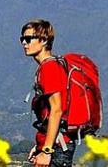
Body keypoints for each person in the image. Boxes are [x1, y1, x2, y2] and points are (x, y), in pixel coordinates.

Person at [21, 19, 75, 167]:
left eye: (28, 38)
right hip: (55, 144)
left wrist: (46, 150)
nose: (24, 43)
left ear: (44, 40)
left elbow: (57, 109)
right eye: (22, 39)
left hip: (57, 147)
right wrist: (39, 146)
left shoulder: (49, 68)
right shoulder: (49, 66)